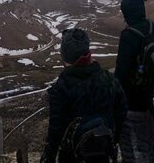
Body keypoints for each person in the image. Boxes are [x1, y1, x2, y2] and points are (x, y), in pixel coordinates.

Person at [42, 28, 127, 163]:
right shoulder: (109, 80)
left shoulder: (62, 88)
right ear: (88, 53)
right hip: (106, 151)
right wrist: (114, 139)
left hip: (72, 156)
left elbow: (55, 130)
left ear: (65, 57)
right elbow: (122, 112)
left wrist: (48, 157)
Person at [115, 0, 154, 162]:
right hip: (151, 93)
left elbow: (122, 71)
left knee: (133, 144)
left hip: (133, 98)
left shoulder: (128, 35)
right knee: (149, 141)